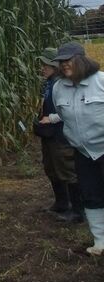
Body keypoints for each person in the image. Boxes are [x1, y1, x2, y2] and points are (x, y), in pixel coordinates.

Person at [52, 41, 104, 255]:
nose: (64, 64)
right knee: (91, 196)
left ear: (82, 59)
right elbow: (62, 116)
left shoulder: (101, 81)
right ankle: (100, 242)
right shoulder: (58, 88)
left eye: (69, 59)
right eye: (61, 61)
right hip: (83, 152)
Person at [32, 48, 83, 222]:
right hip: (50, 136)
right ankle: (61, 203)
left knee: (67, 170)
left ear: (55, 66)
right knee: (51, 168)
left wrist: (51, 119)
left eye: (46, 65)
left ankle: (77, 211)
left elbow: (72, 108)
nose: (42, 68)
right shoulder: (49, 83)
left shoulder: (63, 84)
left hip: (61, 136)